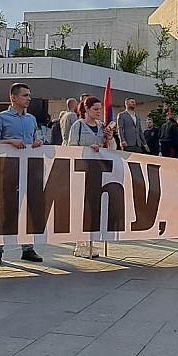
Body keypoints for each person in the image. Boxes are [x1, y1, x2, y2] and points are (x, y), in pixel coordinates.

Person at [0, 83, 45, 264]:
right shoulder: (0, 118)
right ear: (14, 98)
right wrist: (10, 142)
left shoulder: (31, 119)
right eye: (25, 95)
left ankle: (27, 248)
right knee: (6, 209)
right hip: (8, 169)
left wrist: (38, 141)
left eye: (29, 95)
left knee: (29, 208)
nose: (29, 98)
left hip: (29, 169)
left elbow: (36, 136)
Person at [67, 96, 116, 257]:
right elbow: (71, 148)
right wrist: (88, 148)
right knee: (83, 207)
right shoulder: (78, 126)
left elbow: (111, 149)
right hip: (83, 171)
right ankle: (82, 244)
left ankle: (94, 241)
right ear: (86, 109)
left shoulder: (102, 127)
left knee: (96, 207)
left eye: (100, 109)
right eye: (95, 109)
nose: (98, 112)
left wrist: (109, 137)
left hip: (99, 171)